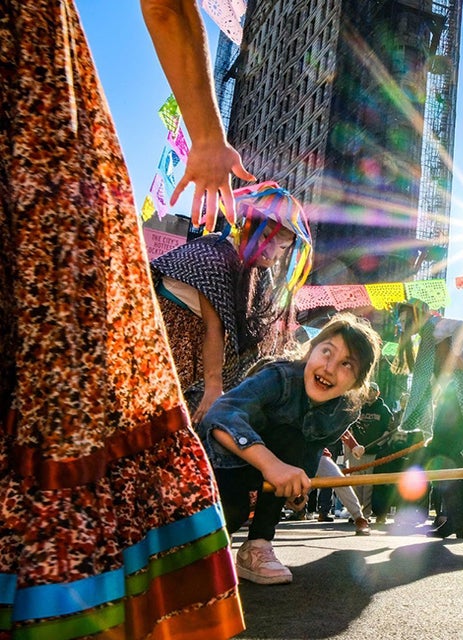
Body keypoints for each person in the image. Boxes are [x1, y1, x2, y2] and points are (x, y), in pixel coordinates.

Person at [1, 1, 254, 637]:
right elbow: (165, 6)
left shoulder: (214, 258)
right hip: (34, 125)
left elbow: (218, 320)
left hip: (169, 364)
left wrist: (216, 383)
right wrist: (206, 134)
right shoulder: (164, 253)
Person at [198, 313, 381, 585]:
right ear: (310, 351)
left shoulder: (343, 410)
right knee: (231, 514)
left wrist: (296, 486)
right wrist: (272, 466)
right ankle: (193, 545)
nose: (329, 368)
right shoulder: (279, 376)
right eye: (326, 352)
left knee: (294, 440)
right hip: (222, 461)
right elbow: (221, 415)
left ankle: (257, 546)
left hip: (270, 470)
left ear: (356, 383)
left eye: (346, 364)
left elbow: (311, 448)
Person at [151, 181, 313, 422]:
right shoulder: (216, 254)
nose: (273, 252)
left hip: (200, 353)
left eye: (283, 246)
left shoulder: (257, 273)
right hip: (171, 343)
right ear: (250, 225)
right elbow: (213, 328)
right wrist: (213, 387)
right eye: (266, 237)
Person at [393, 299, 463, 538]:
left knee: (440, 451)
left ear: (416, 315)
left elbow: (461, 325)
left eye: (405, 320)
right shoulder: (426, 339)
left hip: (462, 393)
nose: (402, 326)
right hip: (453, 395)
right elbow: (426, 383)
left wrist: (456, 353)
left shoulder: (434, 327)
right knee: (447, 452)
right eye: (400, 322)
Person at [345, 382, 393, 519]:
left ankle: (365, 514)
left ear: (378, 393)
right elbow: (350, 427)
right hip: (357, 452)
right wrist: (353, 446)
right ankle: (356, 513)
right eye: (368, 390)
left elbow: (388, 429)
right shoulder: (358, 407)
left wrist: (379, 446)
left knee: (368, 486)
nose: (370, 393)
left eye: (373, 390)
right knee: (355, 484)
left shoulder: (384, 410)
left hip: (373, 453)